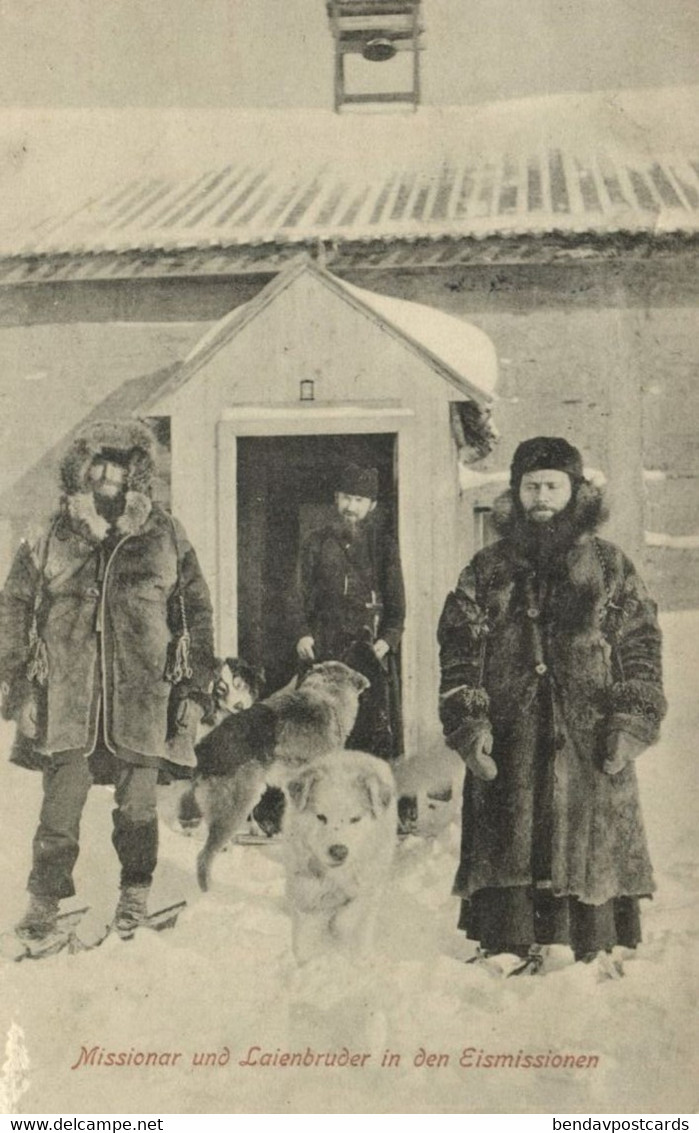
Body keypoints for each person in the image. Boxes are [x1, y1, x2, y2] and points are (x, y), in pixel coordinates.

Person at [437, 437, 667, 974]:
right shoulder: (487, 567)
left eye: (552, 485)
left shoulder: (609, 565)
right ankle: (509, 942)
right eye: (531, 485)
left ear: (574, 490)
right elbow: (459, 649)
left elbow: (640, 644)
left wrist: (632, 721)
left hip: (589, 733)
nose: (541, 495)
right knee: (510, 828)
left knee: (585, 835)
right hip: (510, 731)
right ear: (516, 493)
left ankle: (586, 943)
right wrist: (470, 722)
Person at [0, 419, 215, 941]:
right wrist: (22, 688)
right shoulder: (54, 532)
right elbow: (14, 606)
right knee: (60, 807)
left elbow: (195, 612)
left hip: (143, 697)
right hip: (69, 698)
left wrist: (192, 688)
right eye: (98, 464)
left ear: (137, 471)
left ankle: (135, 894)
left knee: (138, 806)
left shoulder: (164, 533)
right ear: (82, 469)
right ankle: (44, 902)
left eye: (119, 465)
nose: (107, 476)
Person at [289, 462, 405, 759]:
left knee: (368, 735)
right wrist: (302, 634)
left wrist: (386, 642)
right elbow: (296, 594)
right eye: (346, 498)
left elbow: (397, 608)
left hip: (368, 654)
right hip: (323, 649)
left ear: (372, 505)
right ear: (336, 499)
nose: (351, 507)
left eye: (359, 500)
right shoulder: (316, 542)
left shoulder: (384, 546)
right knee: (320, 732)